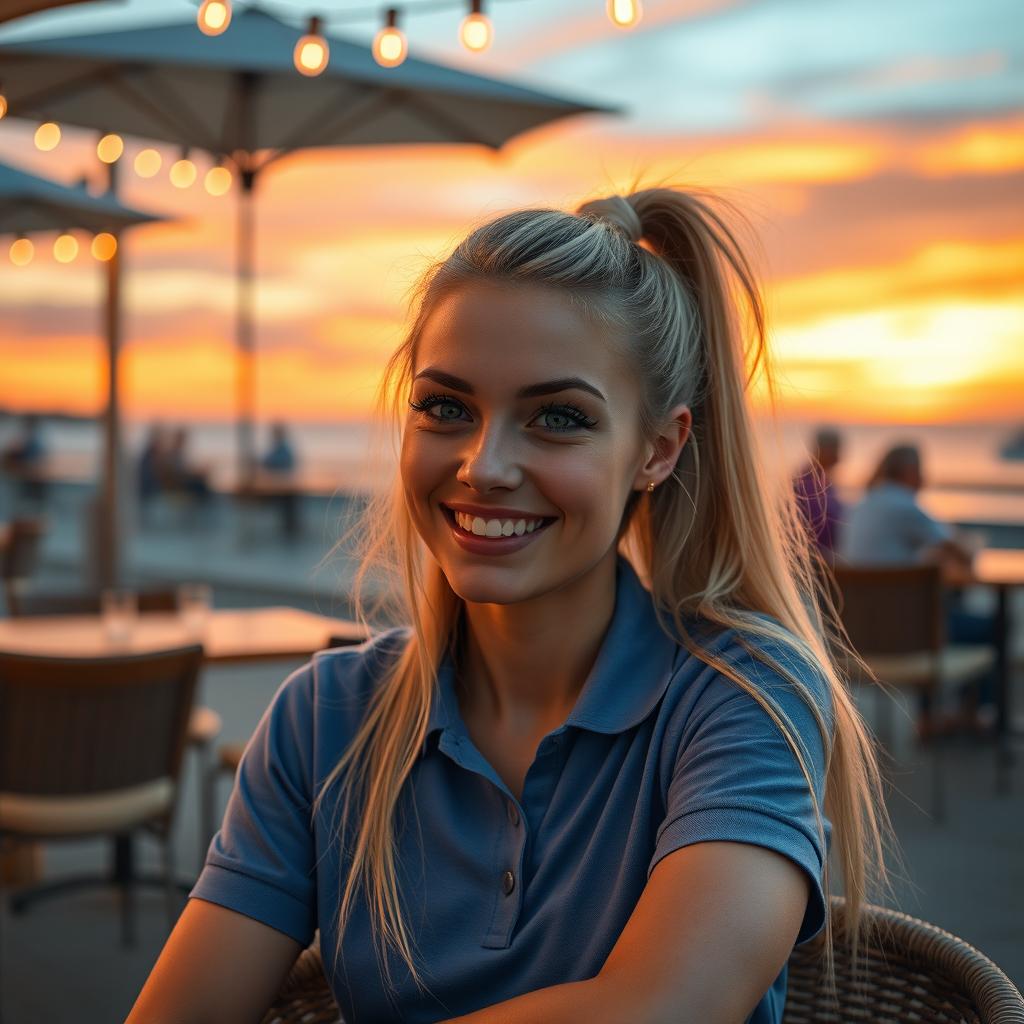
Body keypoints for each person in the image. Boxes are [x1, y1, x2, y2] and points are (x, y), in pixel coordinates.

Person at [127, 189, 890, 1024]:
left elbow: (667, 1007)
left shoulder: (739, 695)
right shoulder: (326, 720)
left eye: (558, 418)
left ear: (657, 450)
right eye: (446, 407)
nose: (485, 466)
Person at [841, 443, 994, 738]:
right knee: (992, 625)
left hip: (860, 642)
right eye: (921, 470)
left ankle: (930, 718)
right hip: (912, 644)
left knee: (936, 615)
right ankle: (975, 715)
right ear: (911, 472)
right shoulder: (906, 506)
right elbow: (963, 554)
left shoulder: (861, 506)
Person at [793, 427, 843, 560]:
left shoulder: (822, 479)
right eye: (836, 449)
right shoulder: (807, 481)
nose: (839, 456)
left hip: (821, 554)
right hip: (813, 557)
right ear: (823, 449)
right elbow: (820, 525)